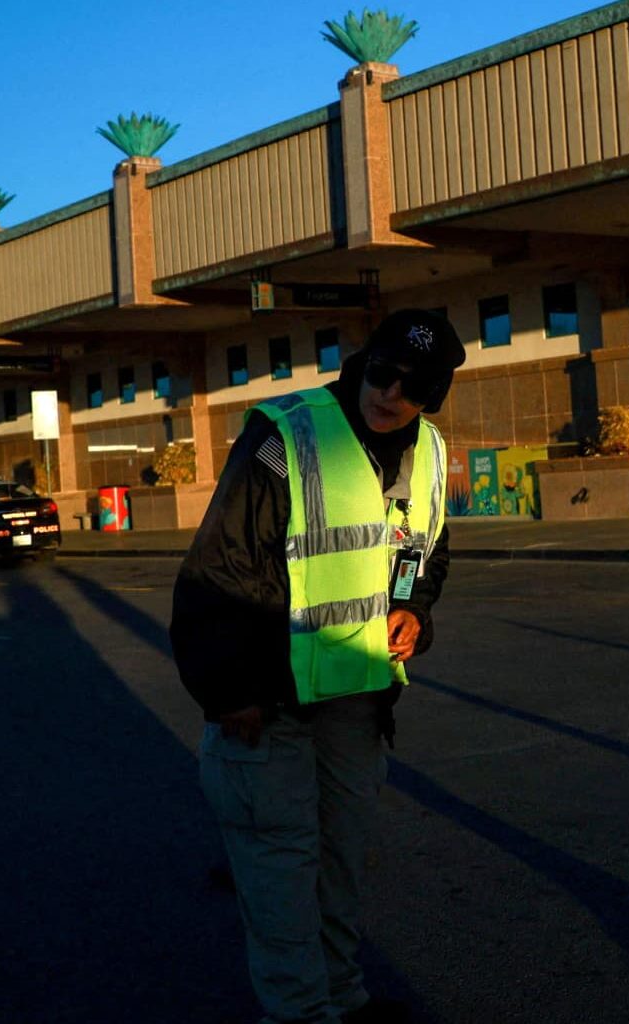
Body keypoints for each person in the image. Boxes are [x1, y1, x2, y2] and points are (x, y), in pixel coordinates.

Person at [171, 308, 465, 1024]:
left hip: (356, 698)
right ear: (363, 362)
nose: (388, 392)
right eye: (381, 372)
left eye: (410, 386)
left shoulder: (428, 450)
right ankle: (301, 1014)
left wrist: (414, 613)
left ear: (432, 397)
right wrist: (229, 689)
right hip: (267, 699)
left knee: (340, 860)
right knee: (280, 866)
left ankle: (342, 998)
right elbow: (220, 566)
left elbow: (421, 556)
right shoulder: (286, 435)